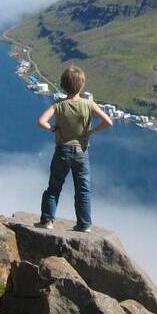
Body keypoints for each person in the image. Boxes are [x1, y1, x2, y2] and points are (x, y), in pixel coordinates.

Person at [36, 65, 113, 232]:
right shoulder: (89, 104)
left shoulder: (58, 105)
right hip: (81, 153)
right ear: (82, 85)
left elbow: (41, 121)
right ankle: (84, 224)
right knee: (83, 190)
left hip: (62, 151)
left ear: (63, 85)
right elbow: (108, 122)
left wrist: (53, 129)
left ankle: (48, 221)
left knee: (54, 187)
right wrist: (91, 131)